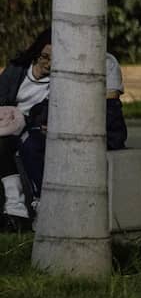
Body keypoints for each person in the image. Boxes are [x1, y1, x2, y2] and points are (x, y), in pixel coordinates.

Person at [18, 52, 128, 207]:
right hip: (64, 125)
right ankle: (42, 201)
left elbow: (110, 108)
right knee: (30, 140)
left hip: (101, 129)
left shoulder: (106, 61)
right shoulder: (63, 58)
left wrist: (71, 125)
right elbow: (48, 103)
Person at [0, 28, 51, 229]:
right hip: (6, 123)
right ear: (37, 52)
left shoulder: (58, 81)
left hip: (32, 127)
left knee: (31, 146)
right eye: (45, 56)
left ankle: (21, 209)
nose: (48, 63)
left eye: (54, 59)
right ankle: (15, 206)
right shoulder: (18, 69)